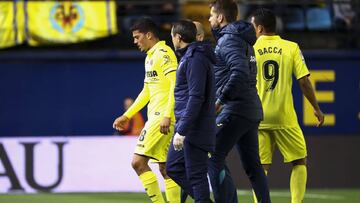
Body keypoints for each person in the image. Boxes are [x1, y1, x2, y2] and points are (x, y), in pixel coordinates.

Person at [250, 8, 325, 203]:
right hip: (284, 117)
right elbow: (304, 82)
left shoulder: (249, 48)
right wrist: (316, 108)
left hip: (258, 116)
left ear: (259, 28)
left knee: (261, 167)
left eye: (252, 26)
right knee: (299, 160)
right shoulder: (291, 47)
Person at [207, 1, 271, 203]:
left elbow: (239, 72)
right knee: (253, 167)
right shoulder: (244, 40)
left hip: (235, 109)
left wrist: (221, 99)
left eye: (211, 15)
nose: (209, 19)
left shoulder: (228, 41)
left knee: (212, 155)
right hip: (250, 108)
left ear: (220, 17)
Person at [112, 18, 180, 203]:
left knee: (138, 162)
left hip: (162, 118)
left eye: (137, 37)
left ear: (149, 35)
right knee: (166, 168)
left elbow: (176, 84)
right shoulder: (150, 57)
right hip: (160, 117)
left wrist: (167, 115)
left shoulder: (163, 53)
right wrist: (127, 115)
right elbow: (147, 91)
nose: (135, 41)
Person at [165, 20, 216, 203]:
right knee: (173, 167)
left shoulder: (195, 59)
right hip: (188, 124)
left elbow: (196, 97)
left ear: (178, 37)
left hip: (195, 126)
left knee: (197, 176)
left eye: (172, 36)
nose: (172, 39)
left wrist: (182, 130)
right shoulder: (190, 57)